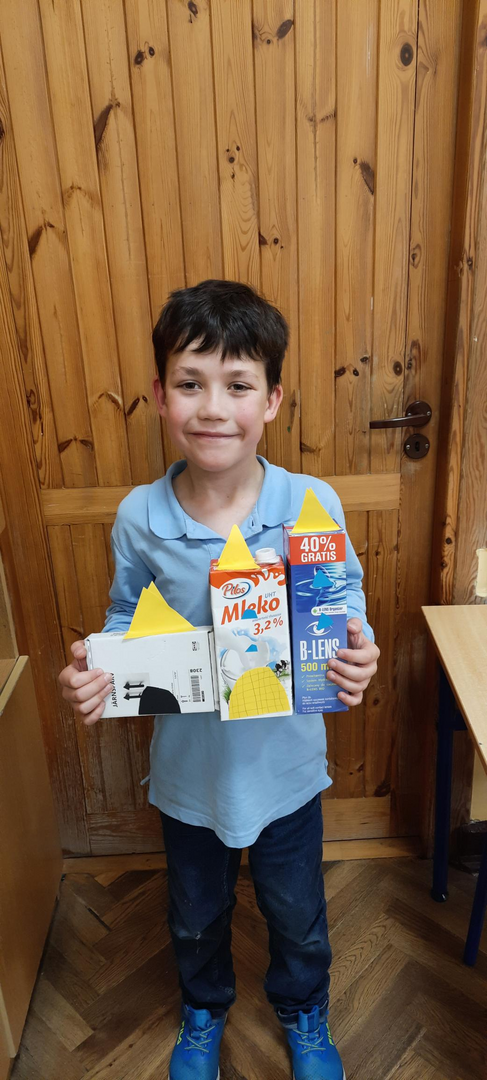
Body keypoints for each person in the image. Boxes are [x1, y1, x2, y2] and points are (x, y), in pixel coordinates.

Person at [59, 279, 380, 1080]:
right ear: (160, 396)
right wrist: (99, 667)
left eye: (237, 385)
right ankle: (202, 1010)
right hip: (188, 777)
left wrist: (359, 651)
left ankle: (303, 1011)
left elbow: (343, 603)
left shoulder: (309, 502)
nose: (212, 408)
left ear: (271, 400)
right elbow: (126, 614)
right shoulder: (139, 516)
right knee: (195, 916)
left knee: (296, 914)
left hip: (287, 770)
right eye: (190, 383)